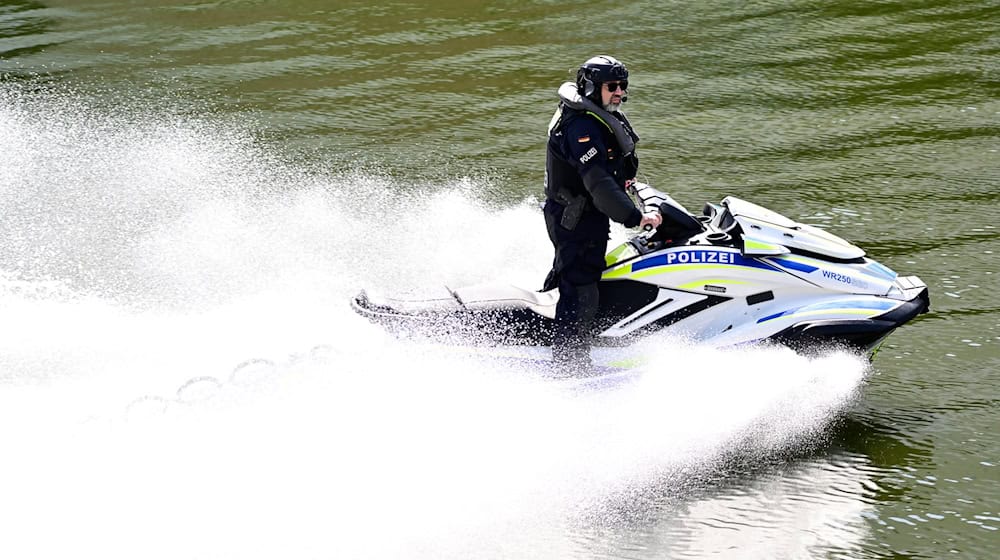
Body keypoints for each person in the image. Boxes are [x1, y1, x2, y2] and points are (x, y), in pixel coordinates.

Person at [542, 55, 662, 367]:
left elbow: (611, 174)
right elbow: (598, 183)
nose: (620, 92)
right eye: (612, 86)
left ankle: (561, 338)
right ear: (593, 87)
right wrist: (637, 217)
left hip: (584, 215)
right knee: (581, 289)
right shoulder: (581, 127)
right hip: (575, 219)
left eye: (623, 85)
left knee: (579, 275)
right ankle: (569, 365)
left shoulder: (593, 116)